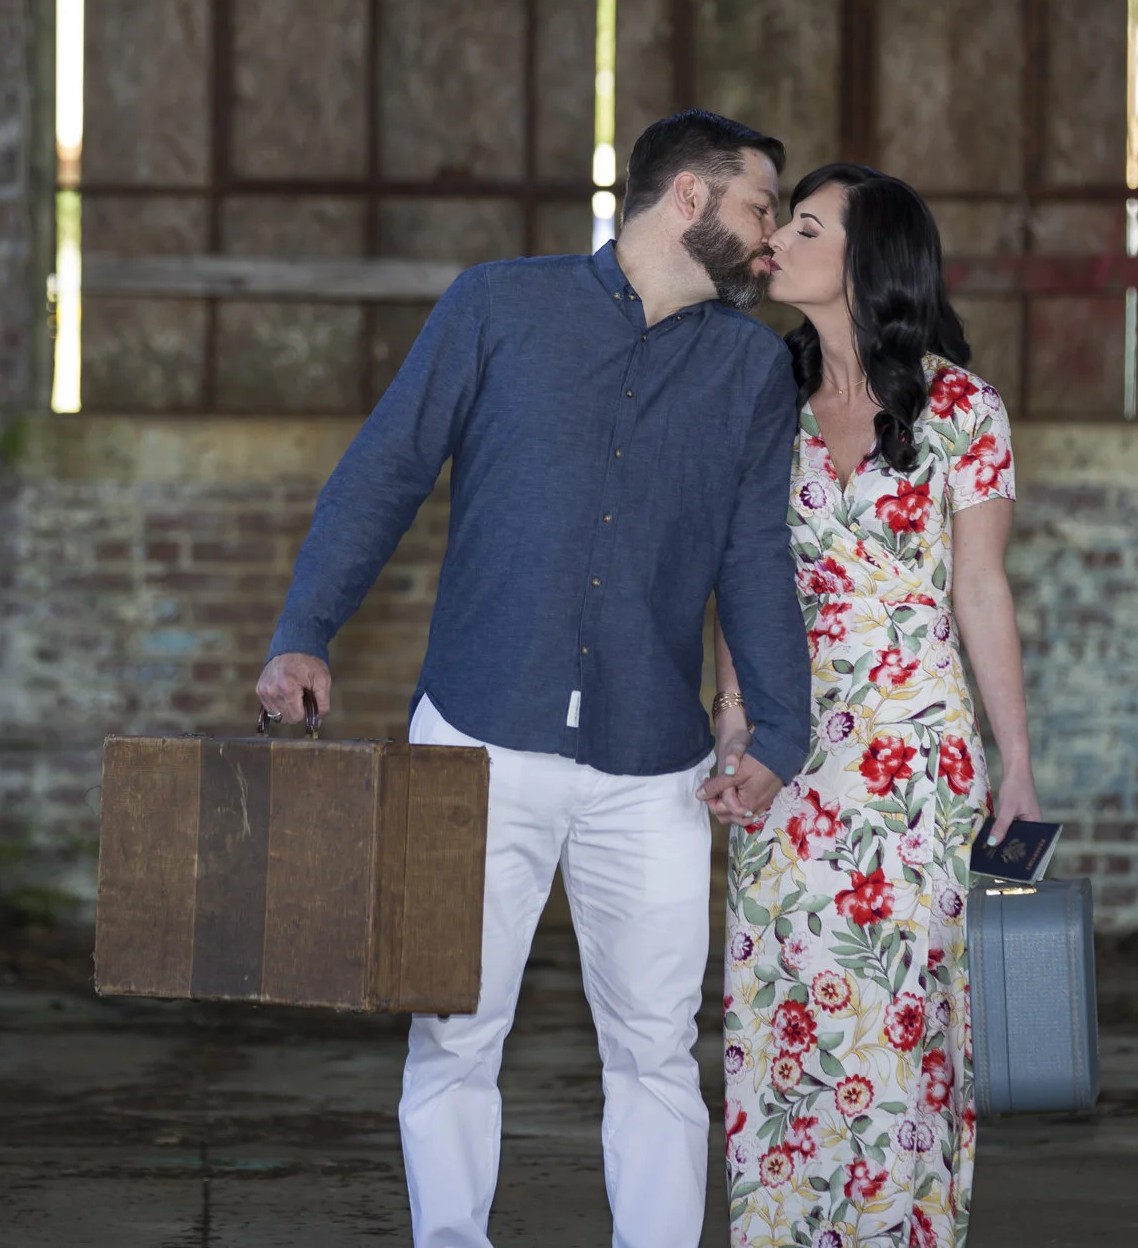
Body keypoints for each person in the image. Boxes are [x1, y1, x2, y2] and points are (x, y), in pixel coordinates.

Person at [255, 109, 817, 1248]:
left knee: (658, 1045)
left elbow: (754, 554)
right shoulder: (496, 305)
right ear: (690, 200)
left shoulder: (754, 368)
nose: (772, 239)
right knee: (453, 1032)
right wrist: (304, 628)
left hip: (652, 761)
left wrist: (777, 730)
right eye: (761, 207)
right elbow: (384, 472)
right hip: (473, 731)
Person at [708, 162, 1038, 1248]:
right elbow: (736, 574)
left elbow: (980, 591)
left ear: (866, 256)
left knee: (894, 1024)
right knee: (785, 1015)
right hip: (789, 756)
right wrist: (730, 714)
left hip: (915, 764)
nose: (777, 243)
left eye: (804, 226)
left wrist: (1017, 767)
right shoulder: (764, 396)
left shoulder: (963, 409)